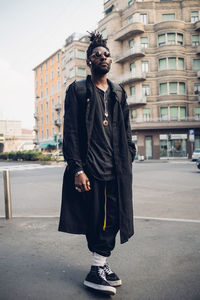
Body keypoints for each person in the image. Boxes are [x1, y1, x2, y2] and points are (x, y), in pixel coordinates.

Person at [58, 31, 136, 296]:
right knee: (99, 219)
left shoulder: (117, 92)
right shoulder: (78, 90)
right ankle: (96, 270)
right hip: (92, 168)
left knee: (114, 218)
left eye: (105, 54)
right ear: (89, 62)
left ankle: (100, 265)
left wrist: (130, 152)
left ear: (110, 60)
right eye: (96, 55)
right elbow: (70, 132)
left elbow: (126, 128)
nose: (102, 57)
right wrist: (77, 168)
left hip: (117, 168)